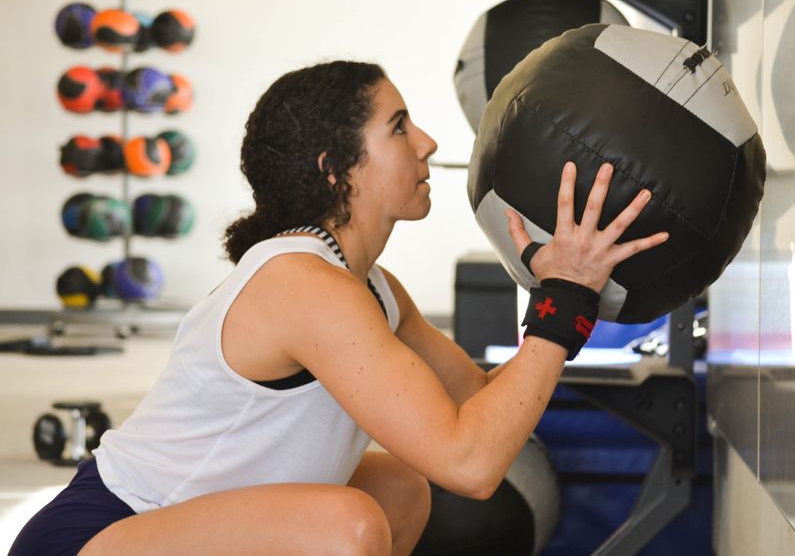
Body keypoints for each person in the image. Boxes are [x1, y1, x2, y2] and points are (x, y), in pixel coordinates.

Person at [11, 60, 668, 556]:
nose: (429, 143)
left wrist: (555, 290)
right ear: (338, 168)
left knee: (399, 488)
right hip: (94, 537)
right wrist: (565, 301)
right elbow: (472, 465)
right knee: (347, 526)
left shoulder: (372, 287)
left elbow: (484, 411)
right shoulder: (303, 284)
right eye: (399, 127)